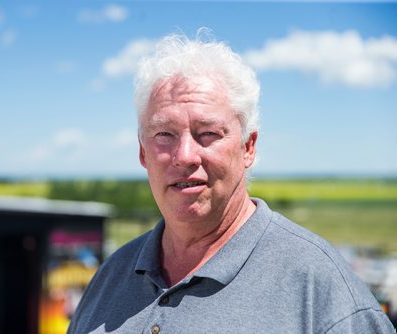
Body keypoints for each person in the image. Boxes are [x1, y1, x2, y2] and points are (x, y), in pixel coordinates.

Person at [68, 31, 395, 333]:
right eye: (164, 134)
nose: (185, 156)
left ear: (248, 147)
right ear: (143, 152)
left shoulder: (321, 291)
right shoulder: (110, 277)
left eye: (207, 133)